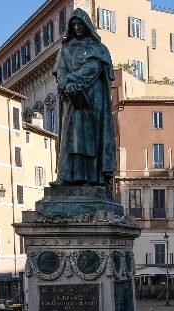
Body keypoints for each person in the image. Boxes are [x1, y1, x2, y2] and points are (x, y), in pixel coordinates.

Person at [52, 9, 116, 186]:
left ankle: (92, 178)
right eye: (74, 24)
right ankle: (65, 176)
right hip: (71, 98)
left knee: (90, 138)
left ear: (87, 25)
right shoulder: (65, 49)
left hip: (93, 99)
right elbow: (61, 70)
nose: (77, 27)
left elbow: (93, 68)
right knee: (69, 136)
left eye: (80, 24)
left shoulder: (98, 49)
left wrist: (72, 81)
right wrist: (65, 83)